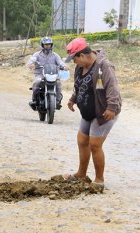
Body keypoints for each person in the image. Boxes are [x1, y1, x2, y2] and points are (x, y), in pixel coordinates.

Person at [64, 37, 122, 186]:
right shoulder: (80, 67)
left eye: (74, 59)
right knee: (82, 141)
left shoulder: (104, 66)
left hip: (103, 112)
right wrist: (73, 99)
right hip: (87, 112)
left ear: (82, 55)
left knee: (95, 145)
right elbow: (80, 85)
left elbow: (113, 88)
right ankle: (81, 175)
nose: (73, 62)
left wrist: (112, 108)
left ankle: (99, 180)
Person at [27, 36, 66, 110]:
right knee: (36, 82)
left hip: (53, 75)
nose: (47, 46)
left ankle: (57, 101)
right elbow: (31, 61)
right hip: (40, 74)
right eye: (46, 44)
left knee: (58, 84)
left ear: (51, 45)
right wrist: (31, 65)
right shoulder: (37, 54)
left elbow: (60, 62)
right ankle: (34, 100)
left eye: (49, 44)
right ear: (42, 45)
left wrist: (64, 66)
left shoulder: (55, 55)